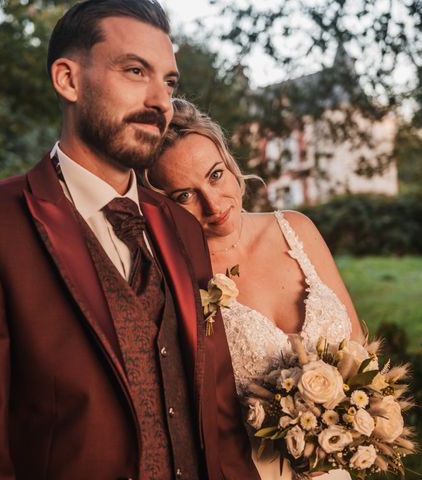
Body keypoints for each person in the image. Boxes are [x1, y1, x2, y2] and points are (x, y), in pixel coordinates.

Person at [0, 2, 258, 479]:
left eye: (170, 82)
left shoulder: (180, 226)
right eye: (135, 70)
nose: (160, 100)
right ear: (68, 80)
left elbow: (218, 420)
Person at [145, 98, 365, 480]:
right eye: (184, 195)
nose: (213, 205)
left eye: (215, 175)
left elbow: (358, 344)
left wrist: (349, 425)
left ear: (230, 164)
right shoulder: (176, 278)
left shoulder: (296, 228)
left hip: (336, 462)